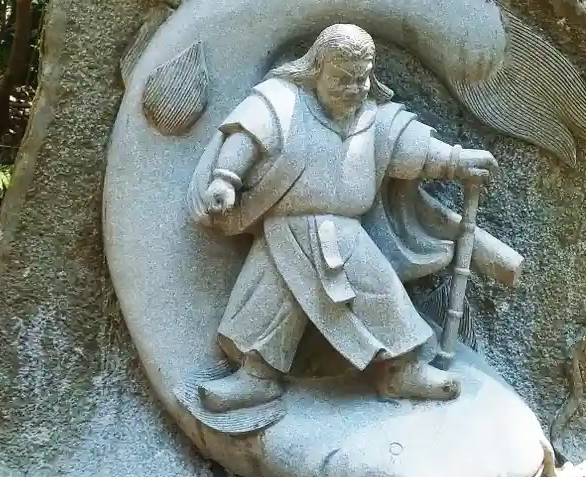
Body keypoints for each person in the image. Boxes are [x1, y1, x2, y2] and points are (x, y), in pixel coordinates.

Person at [189, 23, 498, 413]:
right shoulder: (282, 104)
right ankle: (256, 378)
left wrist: (457, 161)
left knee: (380, 295)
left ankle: (400, 370)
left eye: (361, 78)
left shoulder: (374, 120)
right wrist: (225, 179)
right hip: (284, 233)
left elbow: (415, 150)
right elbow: (247, 136)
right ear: (316, 69)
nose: (353, 89)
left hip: (348, 235)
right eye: (341, 79)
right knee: (268, 304)